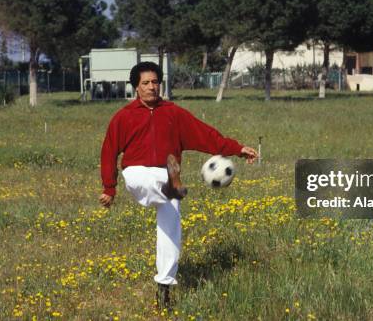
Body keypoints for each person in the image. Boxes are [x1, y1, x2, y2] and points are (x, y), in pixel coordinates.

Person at [98, 61, 257, 309]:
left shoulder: (174, 113)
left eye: (155, 82)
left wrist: (236, 149)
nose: (152, 87)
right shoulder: (123, 117)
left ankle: (164, 291)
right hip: (137, 174)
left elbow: (206, 134)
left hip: (168, 176)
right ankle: (170, 187)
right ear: (136, 88)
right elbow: (108, 152)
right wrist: (109, 188)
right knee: (148, 179)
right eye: (146, 83)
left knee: (171, 233)